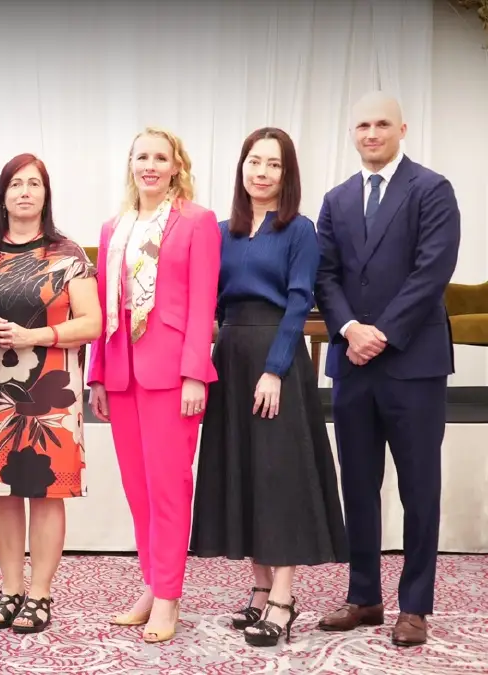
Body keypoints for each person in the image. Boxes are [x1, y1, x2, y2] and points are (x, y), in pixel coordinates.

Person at [190, 127, 348, 647]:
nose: (261, 172)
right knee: (243, 471)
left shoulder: (300, 230)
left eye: (273, 165)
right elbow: (206, 304)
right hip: (229, 356)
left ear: (287, 174)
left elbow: (301, 302)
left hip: (274, 357)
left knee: (279, 477)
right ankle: (258, 590)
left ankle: (283, 596)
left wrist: (275, 369)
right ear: (241, 168)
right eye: (254, 162)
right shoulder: (220, 230)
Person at [313, 91, 460, 647]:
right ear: (353, 134)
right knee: (359, 484)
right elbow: (324, 276)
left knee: (420, 486)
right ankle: (364, 595)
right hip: (352, 361)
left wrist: (384, 333)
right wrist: (350, 329)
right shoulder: (337, 198)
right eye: (361, 126)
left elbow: (433, 269)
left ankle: (415, 604)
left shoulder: (431, 189)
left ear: (402, 128)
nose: (371, 134)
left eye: (381, 124)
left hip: (413, 363)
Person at [87, 127, 221, 644]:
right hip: (121, 374)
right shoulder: (112, 228)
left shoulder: (197, 222)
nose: (149, 165)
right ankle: (152, 582)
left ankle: (168, 596)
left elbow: (203, 302)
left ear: (175, 166)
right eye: (141, 156)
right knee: (138, 490)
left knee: (168, 488)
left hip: (171, 375)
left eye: (159, 157)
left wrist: (194, 372)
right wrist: (97, 373)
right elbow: (104, 305)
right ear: (131, 164)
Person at [0, 153, 100, 635]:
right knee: (1, 493)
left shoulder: (67, 253)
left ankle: (40, 593)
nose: (25, 192)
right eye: (15, 184)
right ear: (2, 195)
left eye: (34, 184)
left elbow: (92, 323)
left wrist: (33, 337)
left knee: (45, 493)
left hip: (51, 389)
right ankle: (10, 590)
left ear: (46, 195)